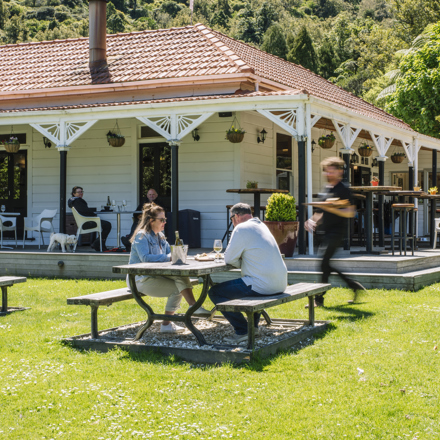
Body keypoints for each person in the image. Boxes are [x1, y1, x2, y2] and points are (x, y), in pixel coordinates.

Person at [208, 203, 288, 344]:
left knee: (215, 292)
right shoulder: (261, 226)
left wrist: (241, 263)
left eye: (231, 219)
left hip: (263, 285)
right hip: (280, 283)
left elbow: (229, 258)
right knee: (250, 281)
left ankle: (243, 330)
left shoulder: (241, 228)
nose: (232, 223)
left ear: (236, 217)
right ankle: (254, 327)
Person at [128, 202, 210, 333]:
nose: (165, 222)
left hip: (157, 274)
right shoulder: (141, 236)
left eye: (165, 219)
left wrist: (179, 254)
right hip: (140, 279)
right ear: (151, 221)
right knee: (178, 288)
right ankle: (181, 315)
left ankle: (191, 308)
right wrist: (170, 257)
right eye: (162, 220)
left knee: (181, 277)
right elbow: (145, 258)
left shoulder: (160, 235)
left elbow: (170, 252)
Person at [305, 157, 366, 307]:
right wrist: (313, 220)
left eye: (331, 171)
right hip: (326, 232)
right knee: (326, 265)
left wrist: (334, 208)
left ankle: (319, 299)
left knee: (324, 263)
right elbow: (321, 211)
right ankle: (354, 286)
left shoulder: (343, 189)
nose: (328, 174)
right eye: (326, 171)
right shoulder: (327, 189)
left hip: (337, 232)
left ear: (339, 172)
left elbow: (350, 212)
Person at [68, 186, 112, 252]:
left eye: (81, 192)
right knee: (107, 225)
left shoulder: (73, 201)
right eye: (78, 192)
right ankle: (98, 243)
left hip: (83, 222)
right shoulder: (77, 201)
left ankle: (98, 244)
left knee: (106, 224)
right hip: (87, 223)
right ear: (74, 194)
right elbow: (85, 211)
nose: (81, 193)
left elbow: (84, 211)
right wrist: (94, 215)